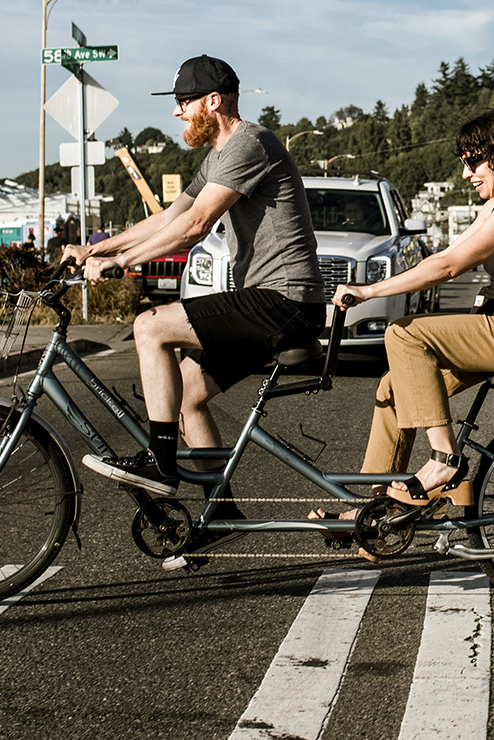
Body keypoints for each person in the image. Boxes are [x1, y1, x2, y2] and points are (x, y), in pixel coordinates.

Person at [70, 55, 324, 497]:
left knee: (149, 327)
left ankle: (160, 463)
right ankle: (219, 511)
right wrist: (97, 248)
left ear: (212, 100)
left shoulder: (250, 144)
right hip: (268, 301)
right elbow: (172, 215)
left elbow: (195, 226)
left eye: (183, 101)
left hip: (285, 301)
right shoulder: (219, 156)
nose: (176, 112)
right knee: (186, 395)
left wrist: (122, 263)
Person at [313, 108, 494, 529]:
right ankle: (375, 510)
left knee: (405, 334)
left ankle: (444, 460)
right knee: (394, 390)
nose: (467, 173)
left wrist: (369, 291)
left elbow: (452, 267)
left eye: (472, 161)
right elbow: (442, 257)